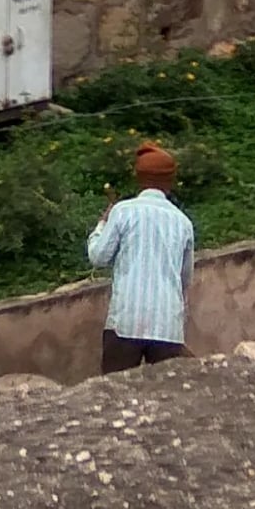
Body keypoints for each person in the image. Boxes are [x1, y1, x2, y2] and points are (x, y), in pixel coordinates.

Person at [85, 144, 195, 373]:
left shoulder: (123, 211)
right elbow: (185, 279)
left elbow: (98, 256)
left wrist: (101, 225)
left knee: (115, 395)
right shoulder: (183, 222)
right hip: (168, 328)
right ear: (170, 181)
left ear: (139, 178)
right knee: (167, 396)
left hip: (126, 322)